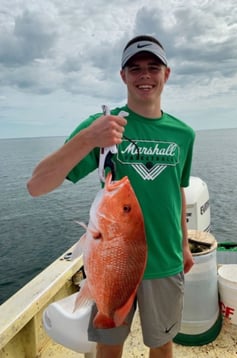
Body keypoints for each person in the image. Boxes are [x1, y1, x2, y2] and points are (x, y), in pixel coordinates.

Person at [27, 35, 195, 358]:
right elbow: (36, 185)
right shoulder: (102, 127)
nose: (144, 75)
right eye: (135, 68)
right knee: (108, 345)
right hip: (112, 264)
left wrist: (185, 243)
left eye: (152, 67)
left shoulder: (183, 134)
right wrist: (90, 137)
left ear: (167, 74)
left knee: (161, 345)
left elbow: (178, 190)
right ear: (123, 76)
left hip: (166, 262)